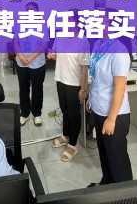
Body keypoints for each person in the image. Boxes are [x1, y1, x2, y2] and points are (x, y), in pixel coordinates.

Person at [87, 8, 133, 185]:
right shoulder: (98, 44)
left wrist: (111, 118)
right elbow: (96, 77)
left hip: (114, 114)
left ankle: (125, 193)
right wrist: (91, 98)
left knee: (117, 158)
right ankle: (107, 184)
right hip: (99, 108)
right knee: (104, 154)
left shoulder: (119, 51)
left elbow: (120, 88)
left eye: (101, 21)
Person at [47, 9, 90, 162]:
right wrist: (52, 54)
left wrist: (83, 89)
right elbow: (55, 52)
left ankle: (73, 144)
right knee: (64, 110)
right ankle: (66, 135)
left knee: (74, 114)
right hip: (60, 79)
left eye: (70, 20)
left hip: (74, 83)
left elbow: (84, 67)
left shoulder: (82, 41)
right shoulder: (59, 36)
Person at [14, 1, 49, 127]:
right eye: (27, 9)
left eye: (32, 9)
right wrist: (21, 57)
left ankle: (37, 114)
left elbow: (44, 44)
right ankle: (24, 113)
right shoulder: (19, 23)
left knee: (37, 89)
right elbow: (15, 42)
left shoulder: (42, 24)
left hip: (37, 63)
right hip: (21, 62)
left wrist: (31, 57)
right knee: (23, 88)